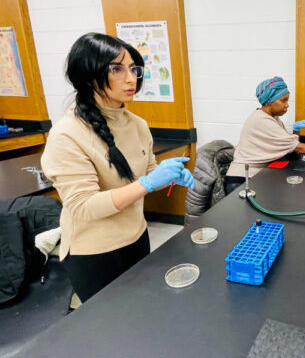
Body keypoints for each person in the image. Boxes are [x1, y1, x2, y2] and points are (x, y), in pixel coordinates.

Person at [41, 33, 194, 303]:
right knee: (110, 330)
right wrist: (147, 184)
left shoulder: (137, 124)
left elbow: (145, 175)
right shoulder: (67, 133)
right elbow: (83, 206)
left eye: (134, 69)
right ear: (88, 74)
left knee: (141, 310)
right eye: (116, 69)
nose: (131, 77)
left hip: (136, 236)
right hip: (94, 252)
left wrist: (164, 177)